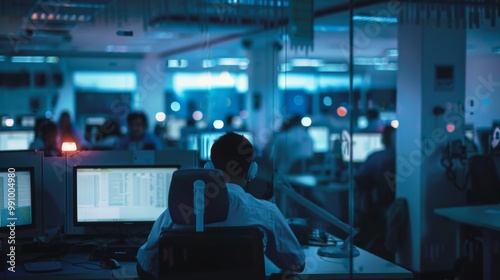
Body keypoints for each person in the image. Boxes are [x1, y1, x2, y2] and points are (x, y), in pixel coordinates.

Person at [136, 132, 305, 279]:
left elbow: (145, 265)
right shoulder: (266, 213)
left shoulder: (177, 213)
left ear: (210, 168)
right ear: (252, 171)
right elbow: (296, 265)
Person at [353, 125, 396, 260]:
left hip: (379, 205)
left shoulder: (376, 156)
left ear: (383, 139)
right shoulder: (405, 157)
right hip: (394, 204)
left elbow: (359, 176)